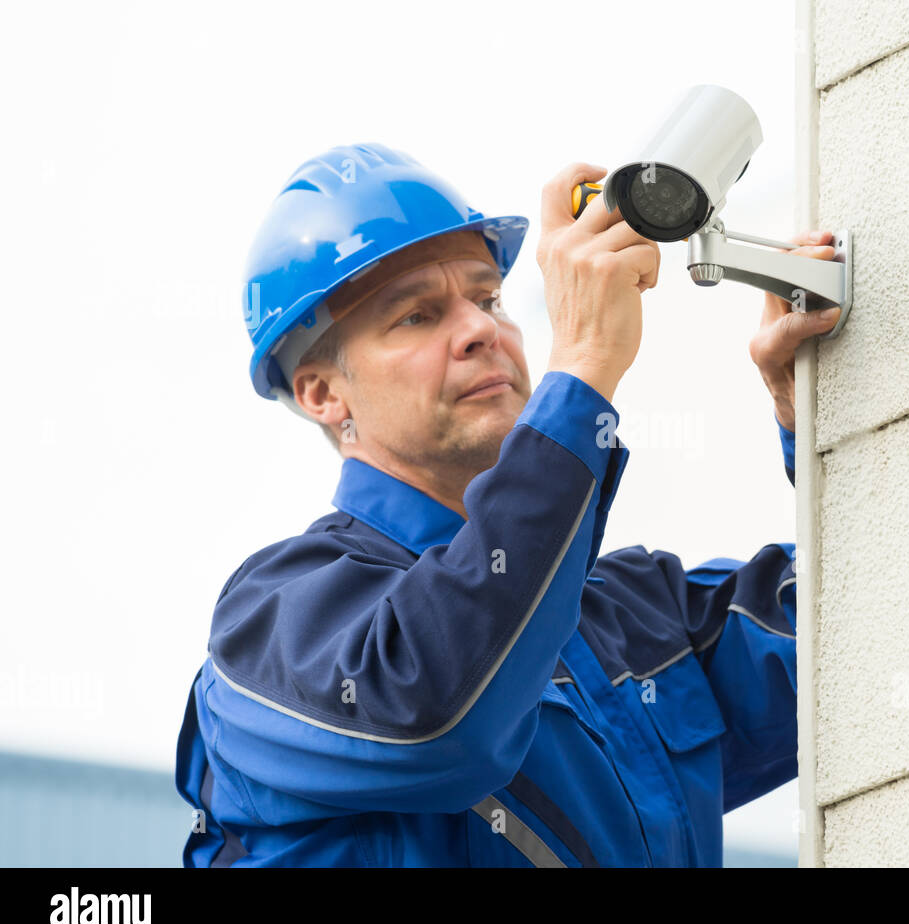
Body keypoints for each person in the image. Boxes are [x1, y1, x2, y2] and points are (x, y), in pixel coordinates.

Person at [174, 142, 843, 867]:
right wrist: (583, 366)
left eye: (488, 298)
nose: (481, 329)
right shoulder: (274, 632)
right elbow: (440, 716)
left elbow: (882, 630)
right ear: (321, 392)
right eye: (417, 316)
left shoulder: (636, 621)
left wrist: (809, 420)